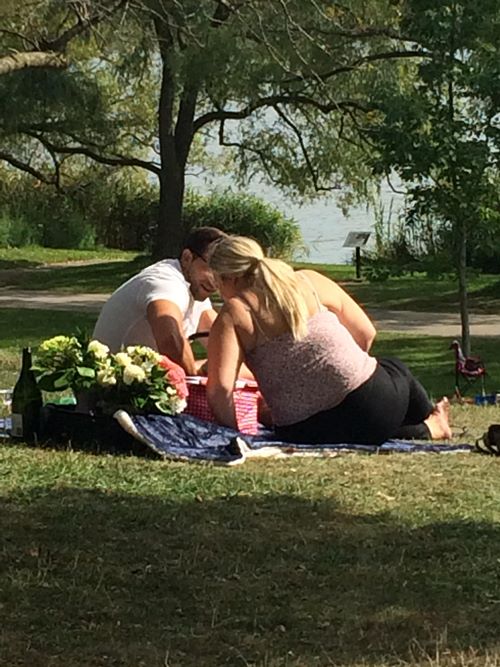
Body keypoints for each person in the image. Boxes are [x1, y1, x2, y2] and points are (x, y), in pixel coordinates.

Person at [205, 235, 451, 444]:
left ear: (230, 279)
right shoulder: (309, 281)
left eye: (217, 283)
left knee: (346, 429)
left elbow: (219, 390)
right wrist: (343, 377)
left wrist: (235, 435)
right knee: (394, 370)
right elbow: (366, 333)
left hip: (301, 430)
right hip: (373, 407)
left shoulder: (233, 314)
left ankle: (428, 427)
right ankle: (430, 421)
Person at [92, 226, 226, 376]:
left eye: (223, 274)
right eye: (212, 269)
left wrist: (210, 368)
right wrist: (197, 373)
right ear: (187, 257)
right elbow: (171, 341)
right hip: (111, 385)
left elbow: (228, 347)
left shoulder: (197, 290)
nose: (216, 282)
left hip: (138, 383)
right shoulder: (166, 283)